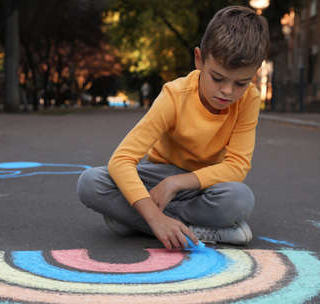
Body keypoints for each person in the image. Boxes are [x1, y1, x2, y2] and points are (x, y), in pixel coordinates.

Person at [77, 5, 270, 250]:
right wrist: (154, 216)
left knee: (240, 200)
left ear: (255, 73)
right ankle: (184, 228)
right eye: (218, 78)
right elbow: (122, 159)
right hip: (157, 176)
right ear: (199, 59)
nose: (228, 91)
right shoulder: (175, 95)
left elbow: (237, 166)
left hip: (201, 186)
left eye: (241, 83)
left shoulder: (249, 99)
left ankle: (136, 221)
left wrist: (175, 184)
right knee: (90, 182)